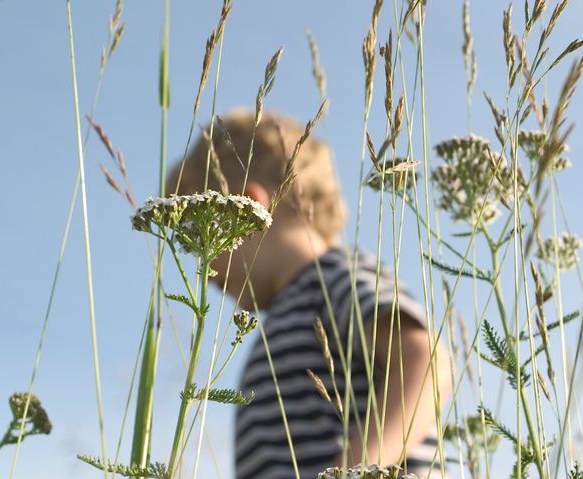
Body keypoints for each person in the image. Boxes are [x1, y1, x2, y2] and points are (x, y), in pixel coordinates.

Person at [167, 109, 453, 479]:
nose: (203, 267)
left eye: (202, 236)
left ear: (247, 208)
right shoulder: (287, 314)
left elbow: (425, 362)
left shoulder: (335, 275)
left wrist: (356, 469)